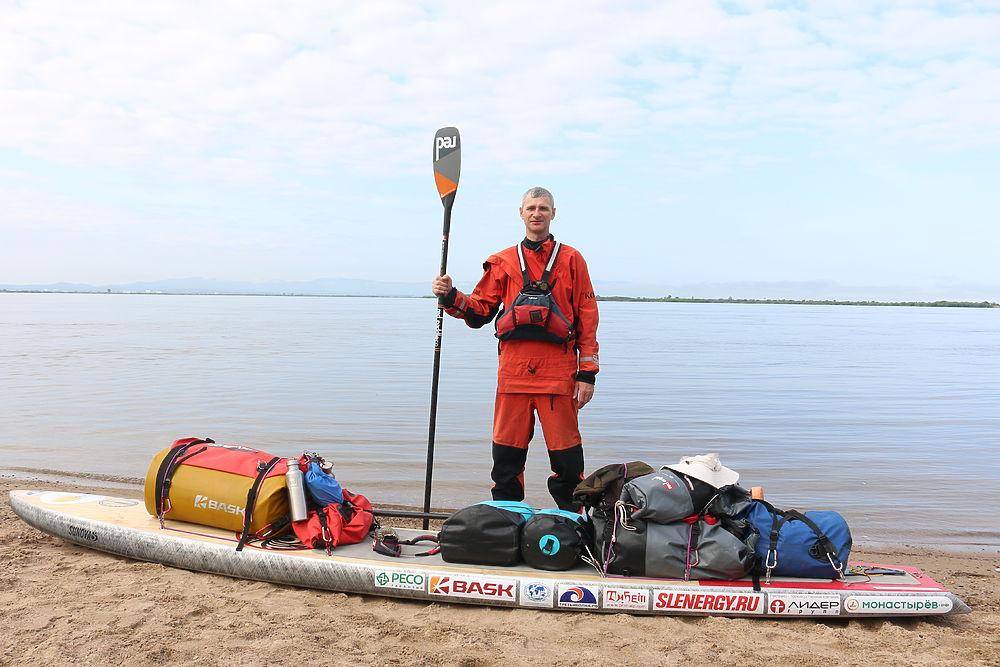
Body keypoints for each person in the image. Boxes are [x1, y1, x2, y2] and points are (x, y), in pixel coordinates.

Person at [430, 187, 600, 511]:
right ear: (521, 213)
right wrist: (450, 295)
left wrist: (587, 374)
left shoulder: (573, 260)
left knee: (567, 463)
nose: (537, 213)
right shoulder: (503, 261)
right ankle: (507, 522)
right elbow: (480, 311)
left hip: (558, 376)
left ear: (553, 213)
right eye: (532, 208)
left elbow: (587, 319)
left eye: (544, 208)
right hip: (513, 376)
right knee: (506, 461)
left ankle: (573, 524)